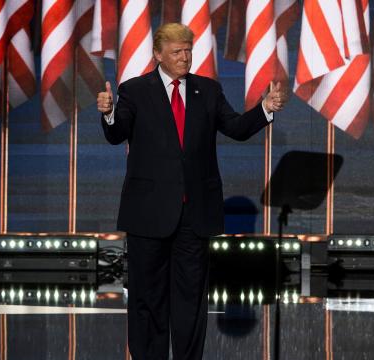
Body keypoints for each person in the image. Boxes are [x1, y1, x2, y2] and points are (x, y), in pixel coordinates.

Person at [96, 23, 289, 360]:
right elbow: (117, 133)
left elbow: (236, 128)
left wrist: (265, 109)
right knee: (147, 298)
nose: (185, 58)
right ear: (158, 54)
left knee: (190, 300)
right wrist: (109, 112)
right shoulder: (134, 90)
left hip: (195, 215)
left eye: (188, 51)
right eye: (177, 52)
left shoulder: (208, 91)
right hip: (149, 214)